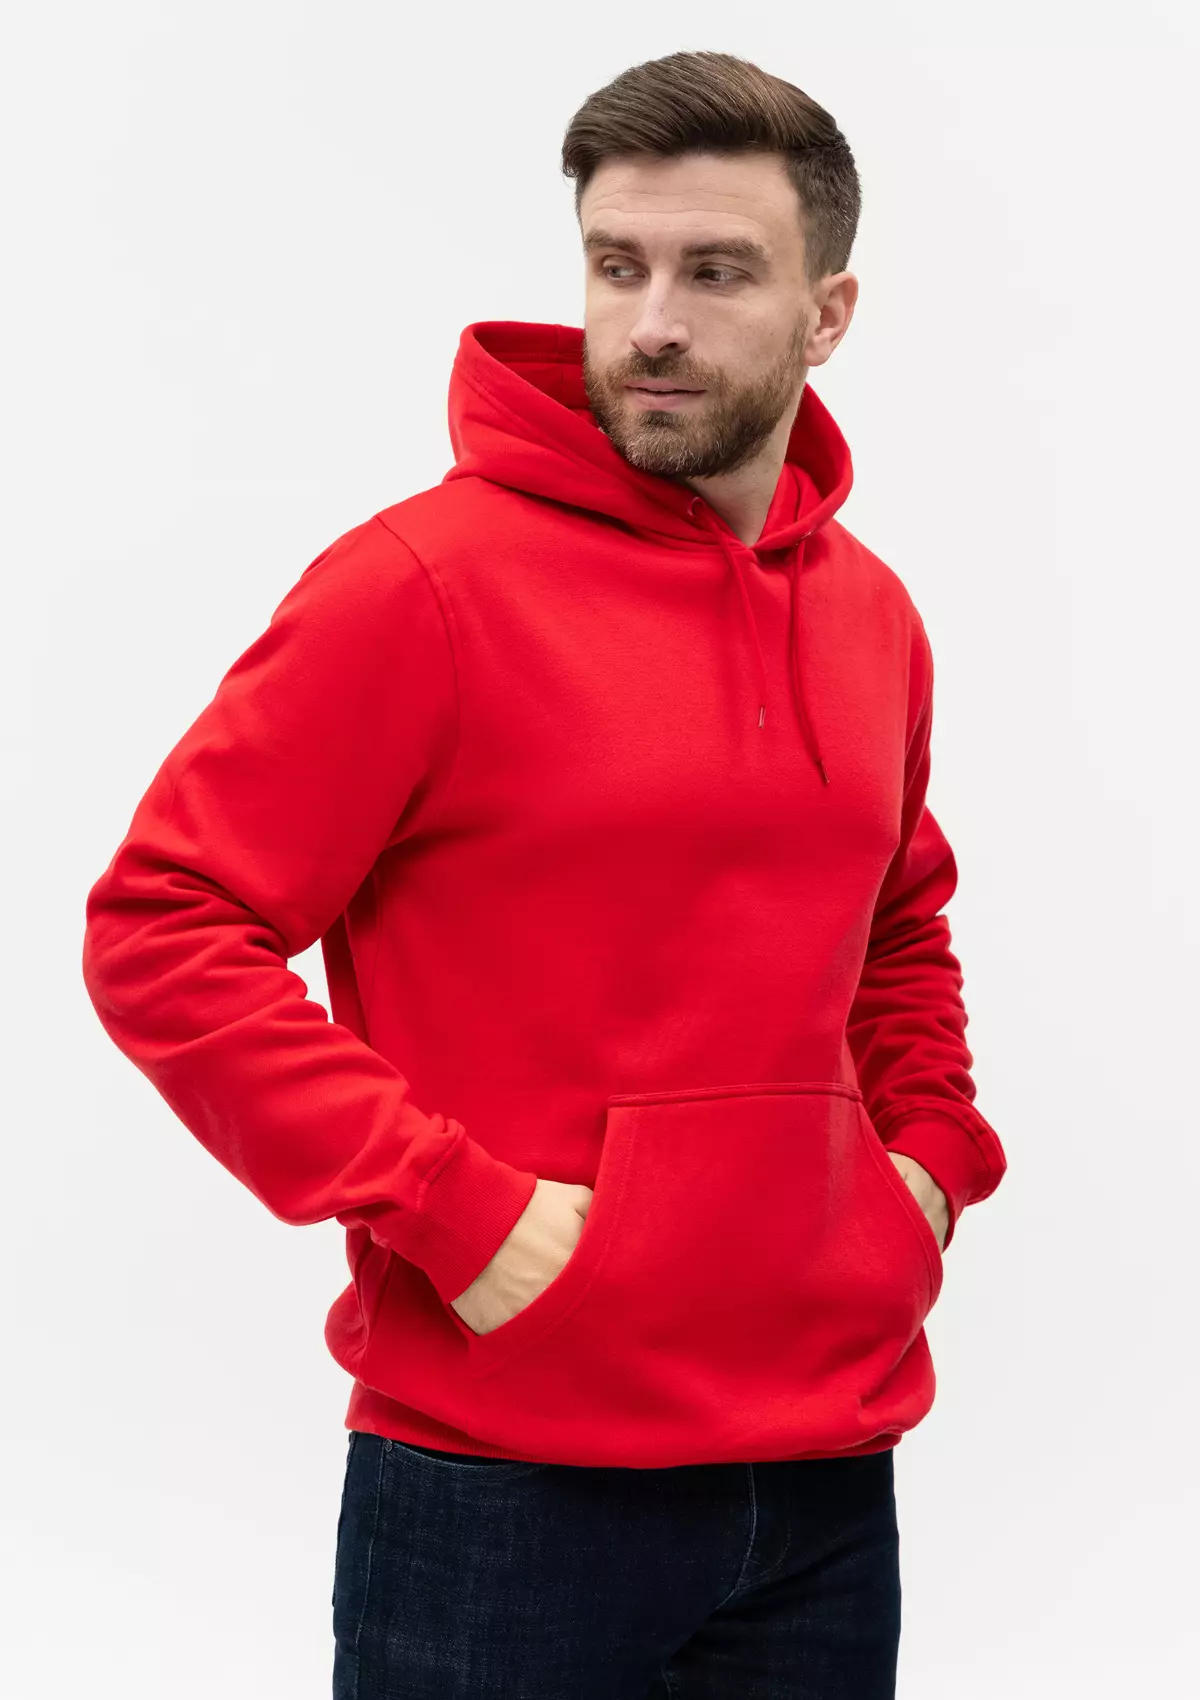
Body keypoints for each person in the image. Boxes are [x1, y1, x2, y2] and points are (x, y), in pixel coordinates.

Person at [81, 47, 1007, 1700]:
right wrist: (454, 1209)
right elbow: (165, 928)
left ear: (828, 314)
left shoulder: (872, 615)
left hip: (823, 1469)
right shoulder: (420, 589)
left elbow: (895, 924)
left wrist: (927, 1160)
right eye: (615, 264)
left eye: (716, 272)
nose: (651, 321)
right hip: (500, 1492)